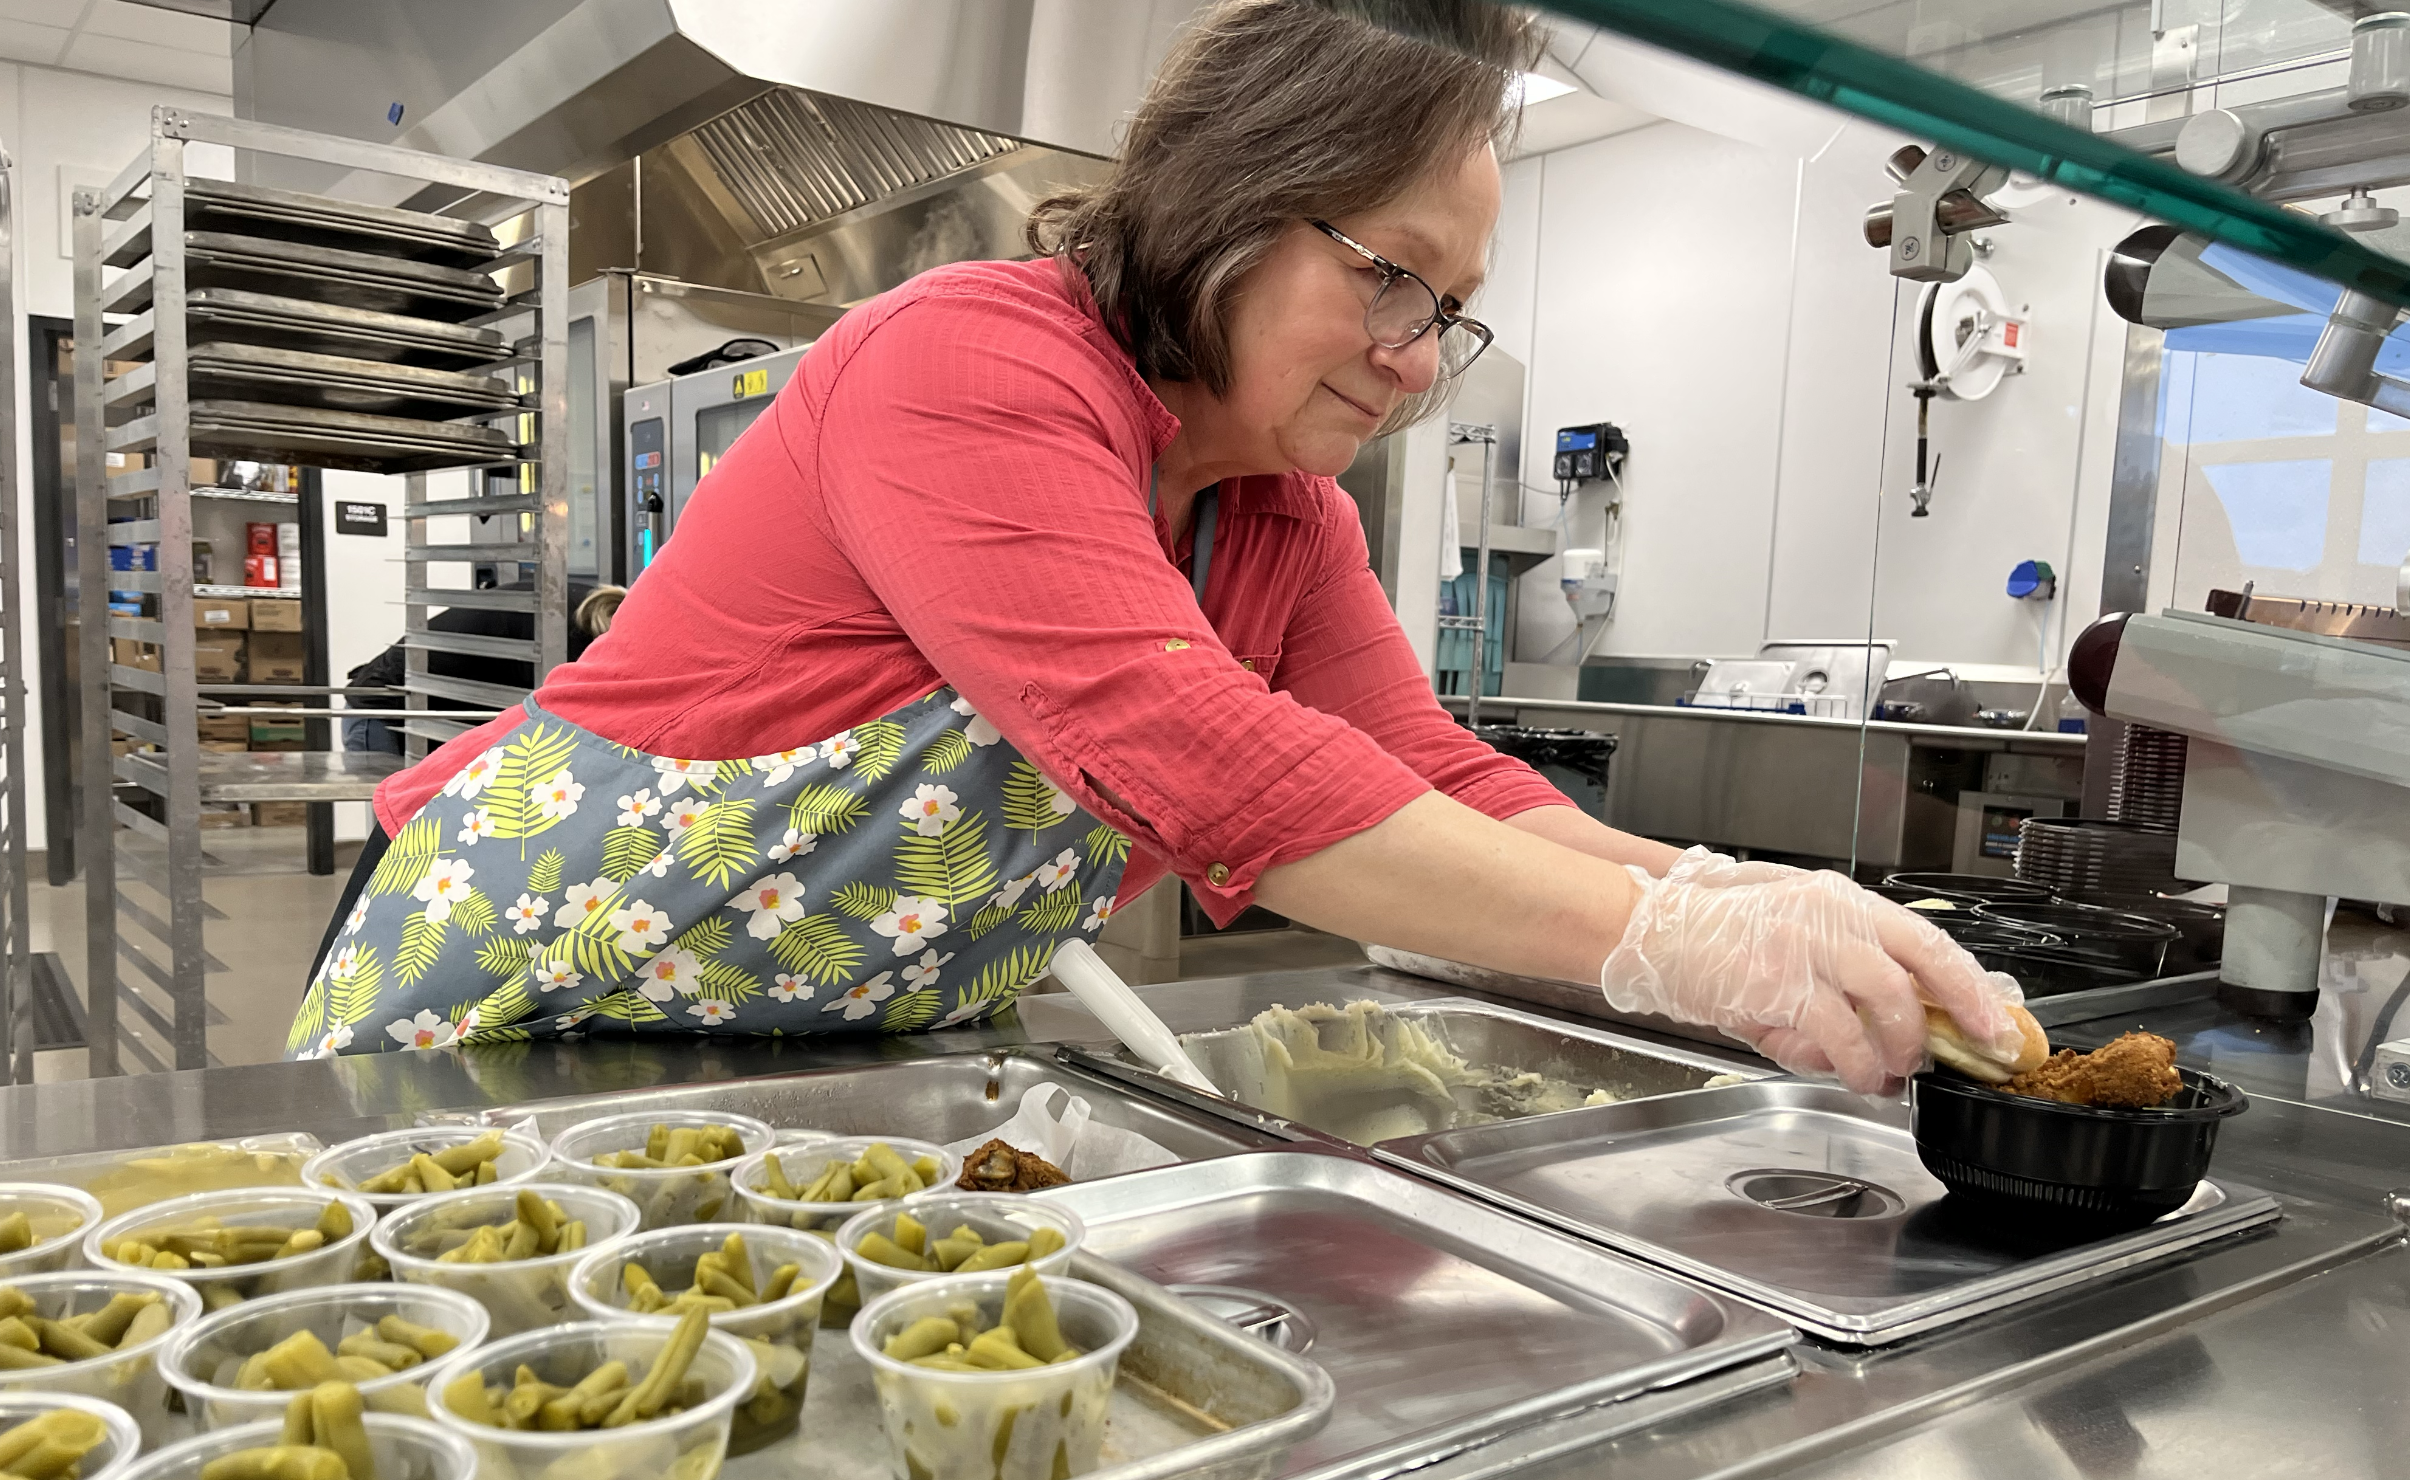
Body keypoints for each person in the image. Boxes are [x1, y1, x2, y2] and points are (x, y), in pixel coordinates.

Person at [290, 0, 2022, 1095]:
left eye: (1454, 312)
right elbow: (1203, 758)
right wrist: (1667, 957)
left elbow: (1430, 771)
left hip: (811, 1071)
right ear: (1229, 205)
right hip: (510, 1033)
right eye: (1390, 277)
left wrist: (1728, 894)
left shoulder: (1284, 511)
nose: (1417, 358)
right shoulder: (971, 357)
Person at [338, 584, 624, 755]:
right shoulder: (565, 638)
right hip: (385, 715)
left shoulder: (588, 604)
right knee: (401, 848)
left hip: (431, 718)